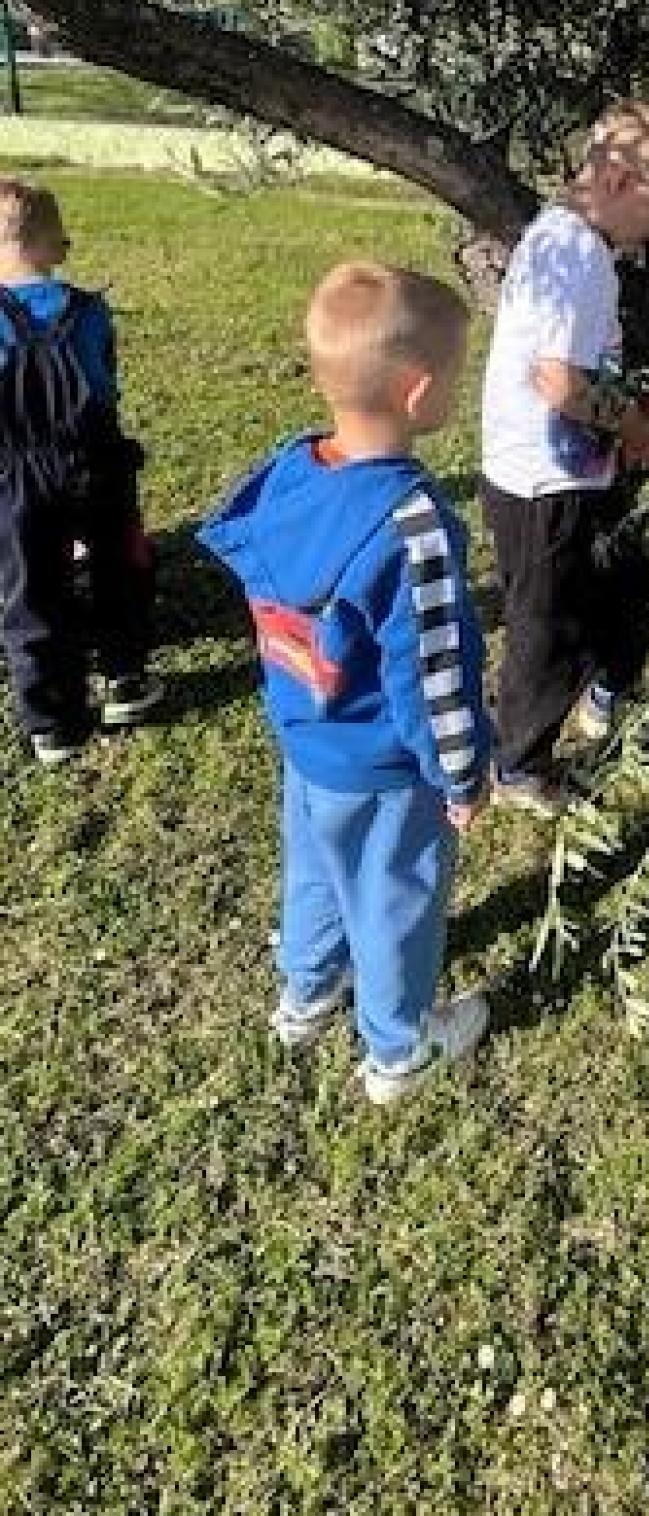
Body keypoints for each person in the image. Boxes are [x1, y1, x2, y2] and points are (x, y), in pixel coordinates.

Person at [199, 261, 492, 1106]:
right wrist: (460, 774)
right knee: (395, 897)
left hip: (307, 742)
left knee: (316, 872)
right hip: (385, 766)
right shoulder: (415, 522)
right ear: (419, 391)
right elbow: (434, 670)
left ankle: (306, 994)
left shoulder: (287, 477)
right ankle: (400, 1048)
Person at [479, 101, 649, 812]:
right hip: (543, 483)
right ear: (616, 178)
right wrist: (630, 423)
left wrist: (629, 407)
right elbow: (559, 381)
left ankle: (607, 684)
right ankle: (519, 763)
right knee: (546, 628)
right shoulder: (577, 254)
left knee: (619, 579)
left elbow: (572, 366)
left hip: (561, 470)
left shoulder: (564, 241)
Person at [0, 178, 160, 763]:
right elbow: (105, 386)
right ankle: (124, 680)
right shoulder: (89, 310)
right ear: (52, 245)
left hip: (13, 474)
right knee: (117, 567)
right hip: (95, 460)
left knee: (28, 590)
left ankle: (51, 720)